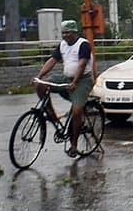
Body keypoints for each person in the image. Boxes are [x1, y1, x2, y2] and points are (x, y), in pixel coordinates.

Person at [32, 19, 94, 158]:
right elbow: (52, 60)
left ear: (75, 32)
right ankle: (51, 113)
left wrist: (75, 82)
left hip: (82, 80)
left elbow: (82, 65)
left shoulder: (83, 45)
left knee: (77, 111)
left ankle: (74, 145)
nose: (65, 35)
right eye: (63, 32)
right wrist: (39, 76)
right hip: (66, 78)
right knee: (41, 85)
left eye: (68, 32)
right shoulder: (63, 45)